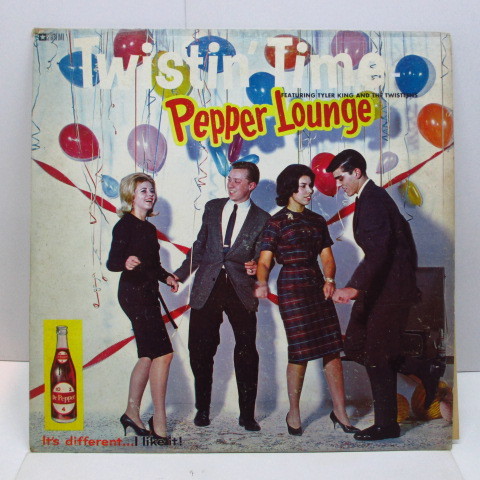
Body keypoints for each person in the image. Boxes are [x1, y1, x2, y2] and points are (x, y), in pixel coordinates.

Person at [327, 149, 445, 441]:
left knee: (377, 355)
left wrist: (354, 287)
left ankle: (386, 425)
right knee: (355, 345)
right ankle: (424, 367)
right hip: (379, 287)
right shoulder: (367, 198)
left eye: (341, 178)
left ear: (356, 172)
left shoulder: (374, 200)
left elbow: (379, 251)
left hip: (390, 290)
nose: (338, 184)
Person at [255, 164, 358, 436]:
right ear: (290, 189)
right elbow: (264, 262)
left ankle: (340, 412)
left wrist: (329, 280)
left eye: (310, 185)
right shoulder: (275, 223)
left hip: (316, 285)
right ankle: (294, 412)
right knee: (299, 351)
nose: (310, 190)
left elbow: (327, 258)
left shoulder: (317, 220)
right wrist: (262, 282)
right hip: (291, 288)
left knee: (332, 349)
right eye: (303, 186)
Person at [173, 161, 270, 431]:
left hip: (241, 289)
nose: (231, 184)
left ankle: (247, 415)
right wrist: (180, 275)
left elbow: (265, 255)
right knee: (199, 350)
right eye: (229, 179)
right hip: (207, 287)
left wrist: (256, 266)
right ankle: (202, 409)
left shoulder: (263, 218)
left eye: (238, 181)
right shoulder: (213, 207)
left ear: (251, 185)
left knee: (246, 352)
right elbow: (199, 246)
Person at [107, 172, 179, 444]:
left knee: (148, 356)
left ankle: (131, 414)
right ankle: (159, 421)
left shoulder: (149, 229)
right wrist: (125, 262)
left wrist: (167, 277)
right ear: (130, 196)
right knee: (164, 354)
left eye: (151, 190)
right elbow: (112, 262)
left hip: (148, 294)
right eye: (143, 191)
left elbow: (154, 266)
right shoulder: (124, 225)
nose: (150, 195)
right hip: (133, 294)